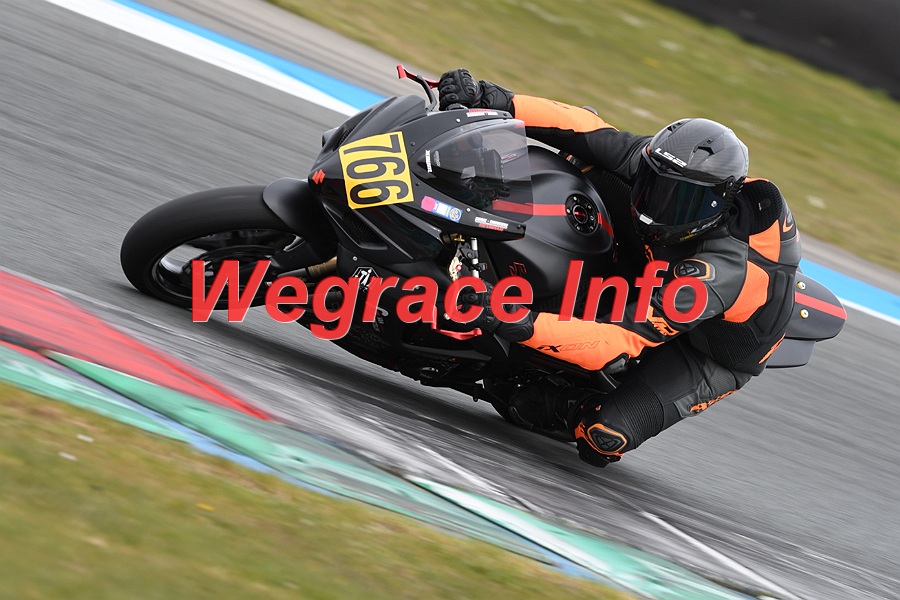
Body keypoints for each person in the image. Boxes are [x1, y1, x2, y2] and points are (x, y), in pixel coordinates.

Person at [439, 68, 801, 467]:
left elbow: (618, 339)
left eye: (679, 202)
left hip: (707, 350)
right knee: (584, 160)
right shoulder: (672, 169)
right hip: (658, 261)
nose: (656, 207)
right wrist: (495, 98)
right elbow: (590, 131)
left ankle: (568, 405)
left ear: (718, 206)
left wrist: (513, 319)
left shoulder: (721, 274)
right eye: (654, 186)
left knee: (604, 435)